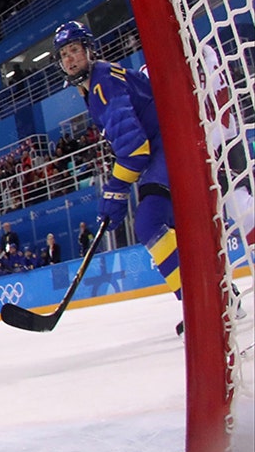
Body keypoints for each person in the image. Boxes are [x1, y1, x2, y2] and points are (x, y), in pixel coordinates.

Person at [54, 21, 183, 302]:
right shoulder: (95, 86)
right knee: (175, 226)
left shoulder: (103, 84)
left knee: (149, 223)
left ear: (89, 50)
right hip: (169, 142)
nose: (69, 58)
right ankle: (216, 293)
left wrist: (115, 190)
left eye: (74, 50)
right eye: (64, 55)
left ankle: (200, 301)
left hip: (172, 142)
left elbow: (136, 149)